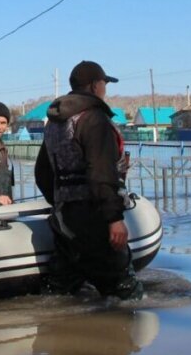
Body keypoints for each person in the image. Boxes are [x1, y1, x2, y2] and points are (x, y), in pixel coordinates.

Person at [34, 60, 143, 300]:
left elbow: (42, 173)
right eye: (104, 83)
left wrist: (61, 201)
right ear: (94, 86)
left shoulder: (54, 122)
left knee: (61, 289)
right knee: (125, 292)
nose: (105, 89)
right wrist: (114, 218)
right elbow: (101, 173)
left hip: (63, 220)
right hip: (94, 217)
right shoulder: (94, 119)